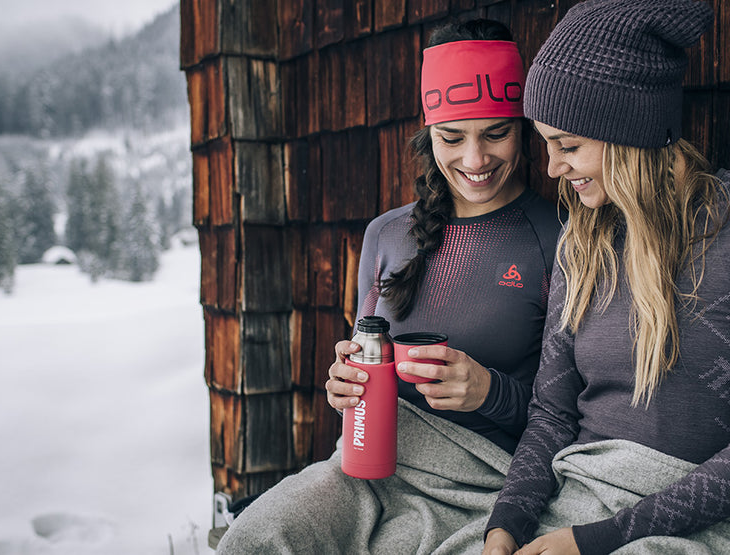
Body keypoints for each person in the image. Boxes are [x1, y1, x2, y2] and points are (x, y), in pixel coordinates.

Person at [482, 1, 730, 554]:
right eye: (546, 143)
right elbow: (552, 413)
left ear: (630, 132)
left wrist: (600, 540)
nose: (552, 169)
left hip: (717, 523)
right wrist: (506, 526)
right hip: (582, 499)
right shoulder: (583, 240)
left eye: (569, 146)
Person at [216, 19, 560, 554]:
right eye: (452, 137)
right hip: (368, 466)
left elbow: (571, 414)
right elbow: (364, 363)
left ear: (524, 127)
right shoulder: (386, 234)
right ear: (428, 132)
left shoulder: (557, 240)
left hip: (490, 483)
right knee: (256, 537)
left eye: (496, 133)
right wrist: (344, 386)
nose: (475, 160)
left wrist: (489, 393)